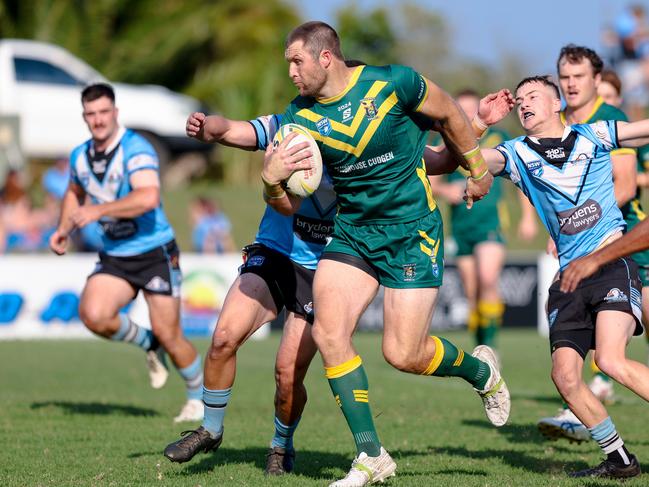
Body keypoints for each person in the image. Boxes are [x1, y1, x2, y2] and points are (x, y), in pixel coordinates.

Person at [163, 85, 515, 476]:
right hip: (276, 250)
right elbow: (236, 130)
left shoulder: (371, 145)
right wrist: (207, 126)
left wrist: (478, 123)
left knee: (287, 373)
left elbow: (440, 160)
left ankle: (281, 445)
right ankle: (210, 429)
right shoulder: (293, 127)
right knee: (224, 337)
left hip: (327, 262)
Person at [255, 21, 512, 487]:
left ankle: (480, 371)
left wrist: (477, 167)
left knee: (403, 353)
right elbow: (287, 205)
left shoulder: (395, 82)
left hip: (412, 232)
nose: (290, 71)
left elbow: (452, 114)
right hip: (352, 232)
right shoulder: (297, 119)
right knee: (330, 333)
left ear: (325, 57)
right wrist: (271, 179)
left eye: (297, 60)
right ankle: (371, 456)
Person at [474, 75, 649, 479]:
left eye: (533, 96)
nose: (523, 103)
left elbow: (641, 131)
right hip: (569, 275)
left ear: (556, 105)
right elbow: (468, 159)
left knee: (609, 358)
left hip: (610, 263)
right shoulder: (515, 153)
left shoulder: (596, 135)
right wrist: (479, 125)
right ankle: (620, 459)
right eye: (519, 100)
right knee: (564, 377)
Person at [49, 83, 203, 422]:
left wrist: (98, 212)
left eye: (104, 112)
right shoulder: (80, 155)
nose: (98, 120)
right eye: (91, 114)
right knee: (93, 314)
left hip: (155, 253)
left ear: (115, 113)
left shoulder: (136, 148)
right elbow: (73, 192)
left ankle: (199, 399)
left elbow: (147, 197)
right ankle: (149, 343)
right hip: (116, 255)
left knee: (172, 335)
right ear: (84, 117)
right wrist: (63, 229)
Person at [537, 45, 649, 442]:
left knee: (618, 351)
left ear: (596, 80)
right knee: (601, 351)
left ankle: (592, 398)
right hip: (586, 254)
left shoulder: (611, 119)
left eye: (578, 76)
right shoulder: (556, 123)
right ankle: (584, 410)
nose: (570, 84)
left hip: (630, 244)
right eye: (564, 76)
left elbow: (623, 186)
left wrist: (575, 222)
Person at [429, 89, 537, 348]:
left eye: (471, 109)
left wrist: (528, 218)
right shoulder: (446, 139)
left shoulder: (500, 137)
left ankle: (491, 348)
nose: (467, 114)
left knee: (488, 279)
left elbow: (520, 179)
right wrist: (447, 191)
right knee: (472, 293)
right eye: (461, 110)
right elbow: (431, 183)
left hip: (491, 224)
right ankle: (481, 348)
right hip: (461, 226)